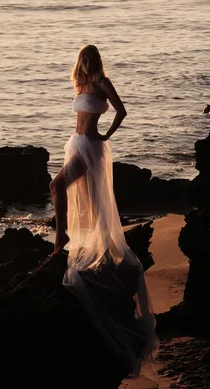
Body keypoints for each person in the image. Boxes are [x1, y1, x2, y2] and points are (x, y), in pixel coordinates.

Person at [50, 44, 158, 384]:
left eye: (90, 57)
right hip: (78, 142)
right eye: (83, 57)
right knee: (91, 200)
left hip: (90, 144)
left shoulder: (101, 82)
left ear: (95, 60)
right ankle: (88, 240)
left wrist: (105, 136)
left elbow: (122, 110)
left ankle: (61, 237)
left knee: (58, 187)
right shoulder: (81, 84)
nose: (86, 62)